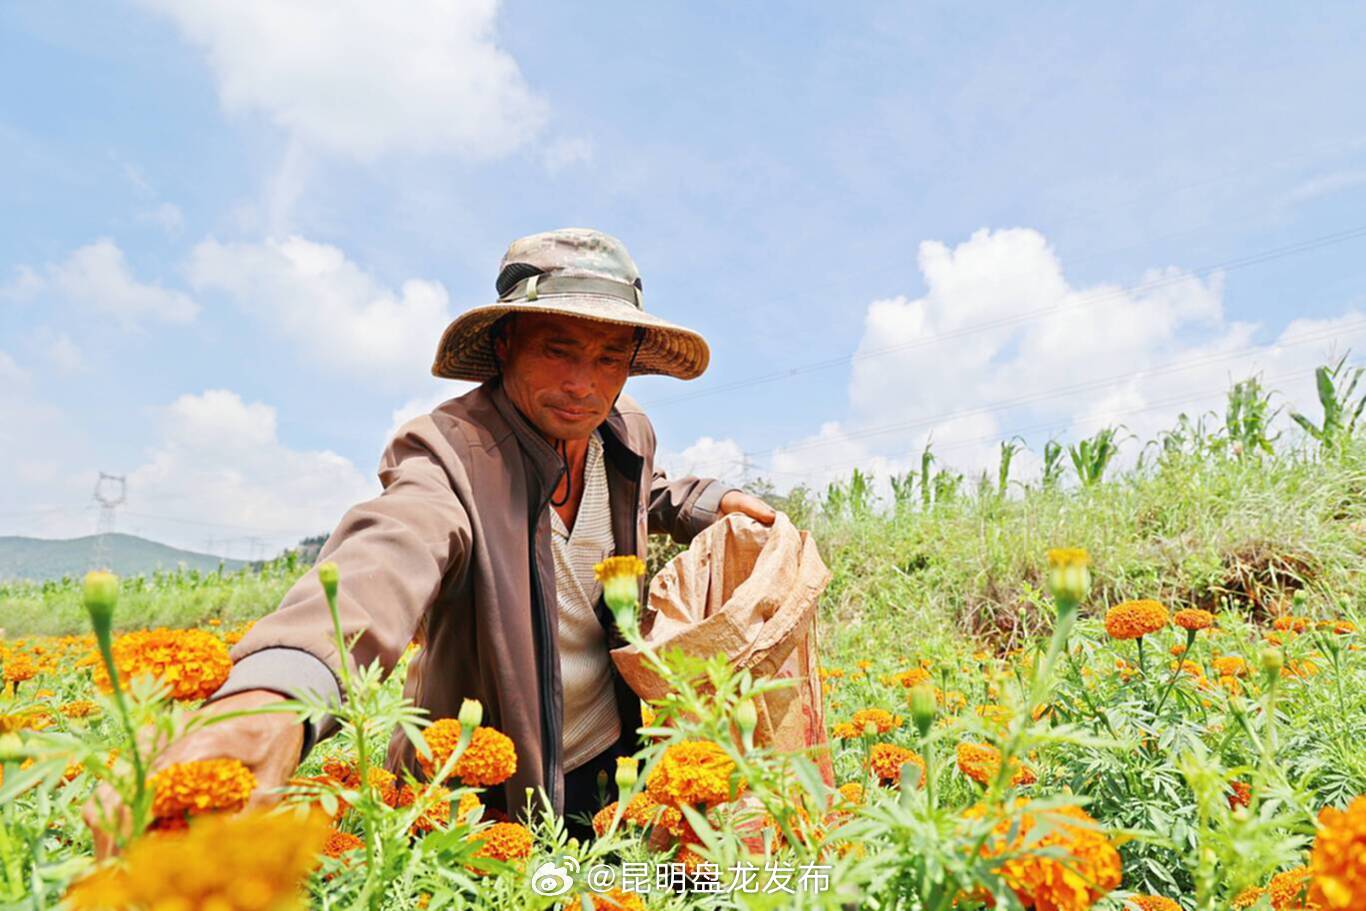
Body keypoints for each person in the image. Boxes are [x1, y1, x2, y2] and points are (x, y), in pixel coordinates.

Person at [83, 227, 775, 851]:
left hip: (607, 755)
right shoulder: (451, 452)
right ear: (505, 345)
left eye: (607, 357)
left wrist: (707, 501)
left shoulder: (624, 432)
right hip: (480, 784)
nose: (582, 383)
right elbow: (384, 555)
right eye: (557, 350)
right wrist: (270, 701)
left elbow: (644, 488)